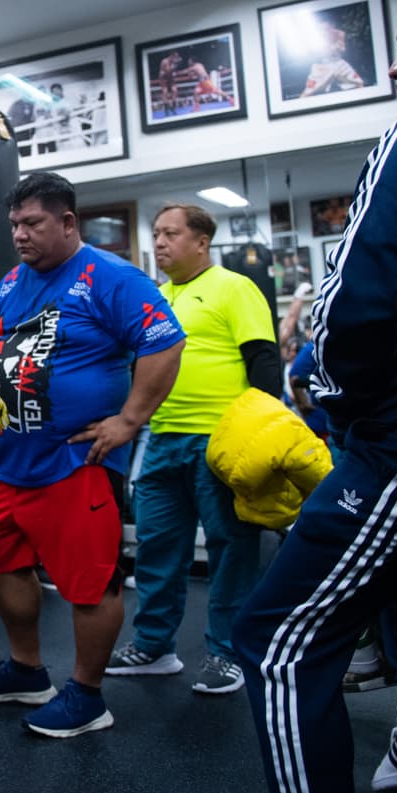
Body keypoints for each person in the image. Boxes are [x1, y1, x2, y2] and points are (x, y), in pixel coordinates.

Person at [233, 19, 397, 793]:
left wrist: (338, 405)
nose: (393, 69)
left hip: (389, 443)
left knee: (276, 639)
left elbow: (357, 301)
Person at [0, 172, 185, 738]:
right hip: (9, 461)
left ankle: (86, 694)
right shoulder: (10, 283)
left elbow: (164, 342)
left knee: (90, 581)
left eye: (31, 223)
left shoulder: (109, 276)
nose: (19, 234)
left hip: (75, 460)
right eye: (14, 224)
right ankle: (27, 671)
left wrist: (129, 420)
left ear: (66, 222)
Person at [105, 204, 280, 695]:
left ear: (202, 241)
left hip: (221, 440)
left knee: (231, 548)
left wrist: (264, 436)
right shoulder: (157, 297)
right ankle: (154, 646)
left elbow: (264, 361)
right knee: (157, 545)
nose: (159, 242)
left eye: (171, 233)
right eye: (156, 233)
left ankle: (228, 653)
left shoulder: (233, 287)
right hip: (162, 438)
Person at [301, 21, 366, 97]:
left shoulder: (339, 34)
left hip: (339, 63)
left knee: (359, 84)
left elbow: (342, 49)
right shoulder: (316, 37)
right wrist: (330, 48)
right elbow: (320, 52)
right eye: (322, 29)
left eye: (327, 28)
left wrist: (338, 47)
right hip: (323, 65)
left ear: (331, 26)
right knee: (308, 92)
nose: (324, 30)